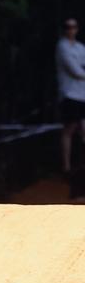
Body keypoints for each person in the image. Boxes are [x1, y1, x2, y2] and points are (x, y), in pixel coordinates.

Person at [57, 18, 85, 172]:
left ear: (77, 29)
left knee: (83, 130)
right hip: (69, 94)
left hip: (83, 94)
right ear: (64, 29)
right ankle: (66, 167)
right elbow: (75, 71)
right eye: (68, 27)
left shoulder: (81, 47)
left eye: (73, 27)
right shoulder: (62, 47)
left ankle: (80, 166)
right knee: (69, 129)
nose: (71, 30)